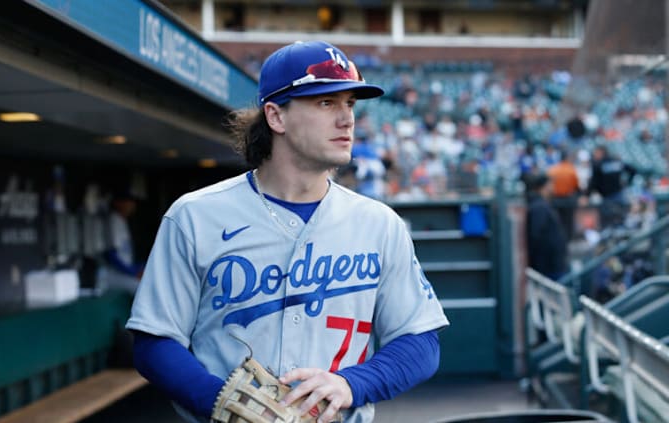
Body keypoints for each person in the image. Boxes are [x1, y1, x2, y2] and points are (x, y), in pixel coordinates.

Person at [126, 40, 449, 423]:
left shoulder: (379, 224)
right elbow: (154, 339)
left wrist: (354, 383)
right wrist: (221, 403)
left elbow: (421, 341)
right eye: (326, 103)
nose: (347, 119)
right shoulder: (194, 216)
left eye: (350, 103)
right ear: (276, 117)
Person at [525, 173, 569, 280]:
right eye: (551, 184)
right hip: (548, 266)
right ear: (543, 186)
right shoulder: (539, 207)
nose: (553, 186)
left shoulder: (542, 204)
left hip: (552, 264)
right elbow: (535, 235)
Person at [99, 190, 144, 294]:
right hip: (112, 274)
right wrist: (132, 272)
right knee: (141, 288)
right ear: (117, 203)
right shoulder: (113, 220)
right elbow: (111, 255)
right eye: (128, 201)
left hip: (123, 273)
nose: (131, 205)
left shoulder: (121, 220)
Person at [586, 145, 636, 229]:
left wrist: (587, 195)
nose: (594, 155)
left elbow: (593, 182)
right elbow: (633, 170)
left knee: (609, 222)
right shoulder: (616, 161)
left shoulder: (599, 164)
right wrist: (628, 182)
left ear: (601, 152)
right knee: (621, 220)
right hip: (619, 195)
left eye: (596, 153)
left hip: (608, 198)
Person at [547, 150, 580, 240]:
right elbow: (576, 185)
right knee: (568, 222)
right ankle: (567, 240)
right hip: (568, 199)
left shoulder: (553, 170)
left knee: (557, 221)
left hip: (556, 199)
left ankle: (558, 239)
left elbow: (548, 186)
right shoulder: (571, 169)